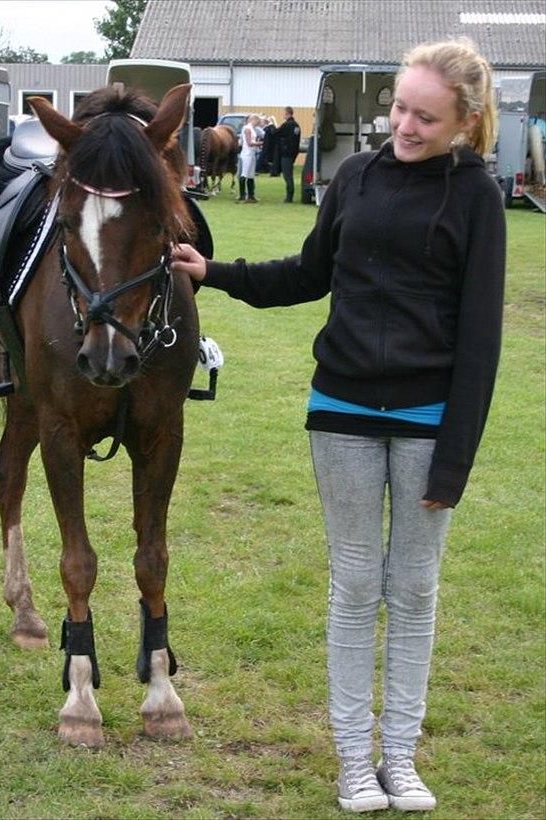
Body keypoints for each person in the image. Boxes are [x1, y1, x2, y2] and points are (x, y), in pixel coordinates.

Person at [172, 38, 504, 814]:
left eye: (426, 117)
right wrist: (213, 274)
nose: (406, 126)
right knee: (356, 587)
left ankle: (402, 759)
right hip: (342, 413)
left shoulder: (479, 196)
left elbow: (482, 340)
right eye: (399, 108)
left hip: (429, 424)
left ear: (465, 121)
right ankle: (356, 763)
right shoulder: (353, 176)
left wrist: (455, 460)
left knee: (414, 591)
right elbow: (307, 273)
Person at [276, 106, 302, 201]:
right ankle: (289, 195)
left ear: (288, 114)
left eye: (284, 113)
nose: (283, 115)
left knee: (287, 175)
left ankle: (289, 197)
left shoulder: (287, 125)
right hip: (293, 153)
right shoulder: (296, 125)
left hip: (286, 154)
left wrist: (270, 125)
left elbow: (276, 132)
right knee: (289, 174)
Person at [238, 114, 262, 202]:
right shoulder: (247, 128)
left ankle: (251, 195)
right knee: (244, 174)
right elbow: (249, 143)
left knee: (251, 175)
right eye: (258, 121)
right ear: (253, 120)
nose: (259, 123)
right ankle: (242, 195)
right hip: (247, 154)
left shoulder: (252, 129)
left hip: (252, 153)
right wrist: (261, 143)